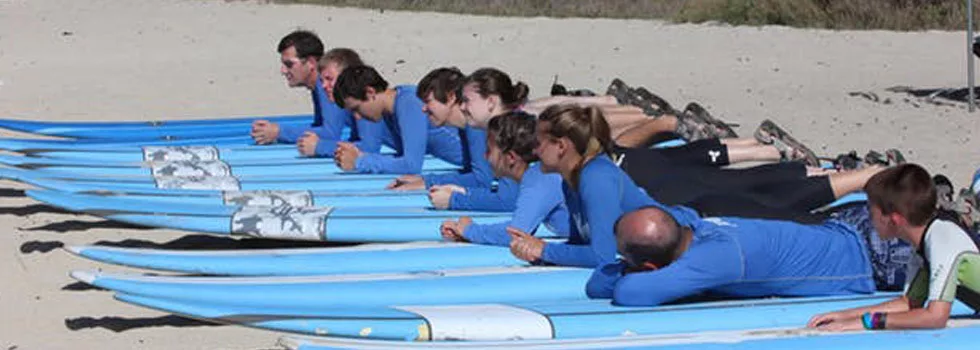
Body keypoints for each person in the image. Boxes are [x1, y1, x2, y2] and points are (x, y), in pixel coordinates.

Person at [585, 200, 912, 306]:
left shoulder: (713, 260)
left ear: (652, 264)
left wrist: (630, 271)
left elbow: (625, 292)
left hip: (878, 260)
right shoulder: (693, 226)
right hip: (849, 221)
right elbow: (599, 284)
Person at [505, 104, 701, 268]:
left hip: (695, 240)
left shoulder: (596, 177)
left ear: (561, 146)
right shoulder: (570, 181)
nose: (534, 150)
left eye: (538, 143)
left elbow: (601, 256)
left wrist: (544, 249)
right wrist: (537, 253)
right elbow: (581, 244)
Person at [806, 164, 980, 331]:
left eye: (872, 212)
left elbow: (935, 317)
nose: (869, 220)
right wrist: (846, 315)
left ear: (894, 219)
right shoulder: (925, 238)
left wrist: (870, 322)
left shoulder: (943, 239)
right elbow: (908, 303)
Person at [385, 67, 519, 211]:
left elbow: (486, 183)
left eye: (428, 101)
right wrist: (428, 181)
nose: (422, 109)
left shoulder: (491, 131)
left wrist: (452, 198)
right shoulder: (487, 128)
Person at [441, 111, 569, 245]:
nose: (485, 157)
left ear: (511, 158)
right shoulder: (541, 176)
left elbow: (516, 233)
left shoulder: (540, 179)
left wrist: (469, 231)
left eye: (489, 151)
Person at [249, 31, 383, 156]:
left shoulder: (328, 85)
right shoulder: (320, 86)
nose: (283, 70)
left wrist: (279, 132)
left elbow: (330, 133)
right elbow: (322, 127)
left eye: (289, 64)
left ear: (311, 62)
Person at [331, 65, 463, 174]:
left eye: (356, 109)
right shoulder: (390, 112)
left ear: (370, 93)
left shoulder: (408, 103)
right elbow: (401, 160)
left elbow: (411, 166)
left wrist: (360, 161)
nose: (357, 117)